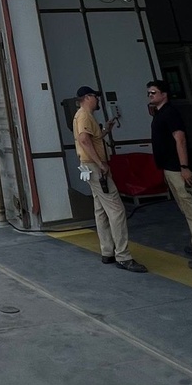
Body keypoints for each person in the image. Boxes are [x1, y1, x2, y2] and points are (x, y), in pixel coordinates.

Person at [73, 85, 147, 273]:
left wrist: (105, 130)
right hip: (95, 167)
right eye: (96, 96)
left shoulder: (84, 116)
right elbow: (84, 139)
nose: (98, 99)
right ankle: (123, 256)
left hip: (90, 167)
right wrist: (101, 164)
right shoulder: (84, 115)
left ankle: (107, 251)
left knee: (101, 210)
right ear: (87, 97)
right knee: (117, 210)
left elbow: (92, 139)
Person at [146, 79, 192, 269]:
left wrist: (184, 166)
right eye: (149, 93)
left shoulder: (171, 113)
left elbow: (180, 139)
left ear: (164, 94)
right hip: (171, 168)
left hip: (178, 168)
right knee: (187, 208)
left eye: (153, 92)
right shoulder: (161, 113)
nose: (150, 95)